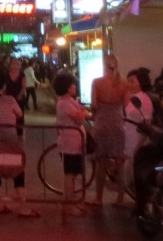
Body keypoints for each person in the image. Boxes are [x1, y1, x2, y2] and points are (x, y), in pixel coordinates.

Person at [0, 65, 40, 218]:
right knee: (18, 174)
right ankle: (23, 207)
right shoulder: (9, 100)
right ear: (4, 84)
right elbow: (20, 113)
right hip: (10, 142)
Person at [89, 53, 128, 206]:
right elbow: (126, 105)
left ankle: (98, 197)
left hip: (102, 123)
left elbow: (94, 105)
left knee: (101, 161)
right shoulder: (124, 83)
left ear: (104, 65)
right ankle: (120, 198)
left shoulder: (97, 83)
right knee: (119, 161)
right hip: (118, 123)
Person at [53, 71, 89, 217]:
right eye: (73, 84)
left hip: (74, 143)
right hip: (70, 144)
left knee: (72, 174)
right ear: (68, 87)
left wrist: (83, 113)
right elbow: (80, 118)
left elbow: (81, 113)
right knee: (70, 174)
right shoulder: (64, 103)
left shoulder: (69, 101)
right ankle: (67, 204)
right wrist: (84, 113)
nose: (75, 86)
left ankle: (70, 202)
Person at [123, 67, 157, 208]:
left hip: (138, 141)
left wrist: (139, 145)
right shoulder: (134, 98)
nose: (129, 83)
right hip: (130, 139)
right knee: (130, 174)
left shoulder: (144, 99)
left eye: (133, 81)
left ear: (141, 83)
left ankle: (143, 205)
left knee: (134, 175)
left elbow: (146, 124)